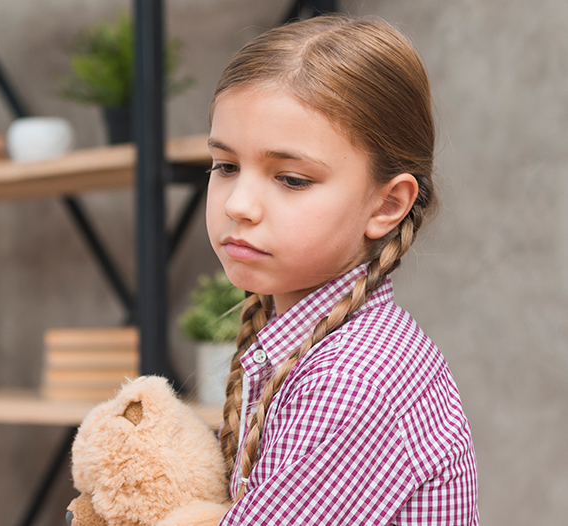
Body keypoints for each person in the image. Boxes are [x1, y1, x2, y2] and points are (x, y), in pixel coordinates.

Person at [205, 15, 478, 524]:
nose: (238, 204)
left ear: (386, 204)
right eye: (225, 167)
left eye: (290, 178)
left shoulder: (354, 378)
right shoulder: (307, 349)